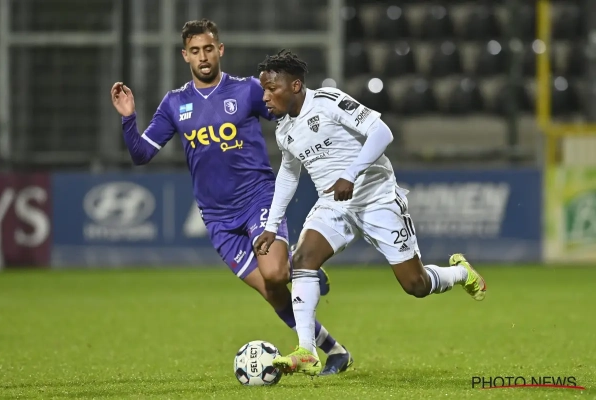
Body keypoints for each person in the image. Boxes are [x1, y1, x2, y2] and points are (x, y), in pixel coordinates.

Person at [110, 20, 353, 375]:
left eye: (208, 49)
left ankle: (300, 266)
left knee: (274, 273)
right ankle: (335, 351)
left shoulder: (247, 90)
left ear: (220, 50)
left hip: (258, 199)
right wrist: (129, 118)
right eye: (195, 51)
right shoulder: (175, 103)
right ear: (185, 56)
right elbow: (141, 154)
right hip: (218, 218)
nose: (203, 57)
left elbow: (290, 109)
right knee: (272, 291)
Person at [254, 50, 487, 377]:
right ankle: (307, 349)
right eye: (263, 90)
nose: (265, 97)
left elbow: (382, 133)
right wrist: (271, 225)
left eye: (271, 89)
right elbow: (289, 175)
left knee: (416, 284)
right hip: (333, 203)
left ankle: (461, 273)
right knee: (303, 259)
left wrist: (350, 174)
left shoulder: (328, 101)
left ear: (295, 85)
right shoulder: (284, 130)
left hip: (376, 196)